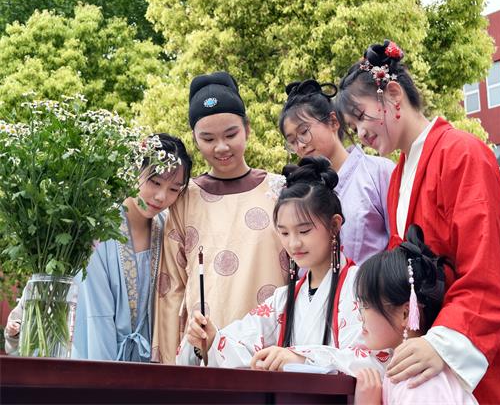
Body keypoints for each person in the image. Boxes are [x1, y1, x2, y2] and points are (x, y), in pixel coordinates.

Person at [336, 39, 500, 404]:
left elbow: (486, 268)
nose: (360, 134)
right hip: (434, 352)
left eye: (361, 117)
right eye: (352, 125)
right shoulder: (398, 177)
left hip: (482, 349)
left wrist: (441, 342)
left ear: (393, 95)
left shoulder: (463, 154)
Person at [177, 156, 389, 374]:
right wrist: (212, 338)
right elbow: (242, 344)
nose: (293, 243)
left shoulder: (362, 286)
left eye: (304, 231)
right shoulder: (283, 299)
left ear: (334, 225)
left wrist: (302, 358)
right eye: (284, 233)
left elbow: (378, 358)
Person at [154, 71, 288, 364]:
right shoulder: (185, 198)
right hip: (204, 354)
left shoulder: (280, 190)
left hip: (271, 352)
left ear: (247, 129)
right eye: (208, 138)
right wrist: (167, 366)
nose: (221, 147)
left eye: (230, 135)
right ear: (194, 138)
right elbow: (171, 288)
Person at [71, 133, 192, 362]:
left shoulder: (167, 230)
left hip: (151, 364)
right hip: (100, 359)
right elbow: (96, 316)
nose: (161, 197)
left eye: (174, 189)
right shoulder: (98, 231)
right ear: (134, 170)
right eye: (155, 182)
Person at [354, 224, 477, 404]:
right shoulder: (411, 373)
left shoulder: (418, 381)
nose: (360, 316)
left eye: (366, 305)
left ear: (405, 314)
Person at [279, 79, 394, 264]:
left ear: (333, 122)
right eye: (292, 141)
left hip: (376, 280)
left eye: (304, 132)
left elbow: (399, 240)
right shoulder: (301, 191)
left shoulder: (379, 172)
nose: (300, 145)